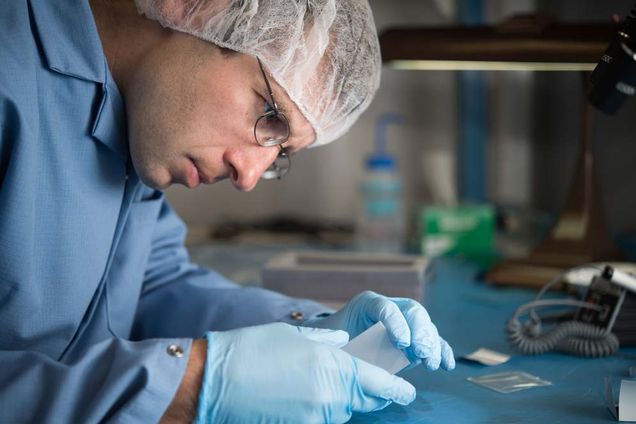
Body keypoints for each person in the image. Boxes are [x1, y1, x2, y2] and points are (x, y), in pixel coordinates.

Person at [0, 0, 455, 422]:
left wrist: (311, 329)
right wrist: (191, 386)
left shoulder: (132, 117)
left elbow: (155, 287)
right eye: (271, 117)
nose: (248, 176)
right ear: (197, 5)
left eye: (278, 152)